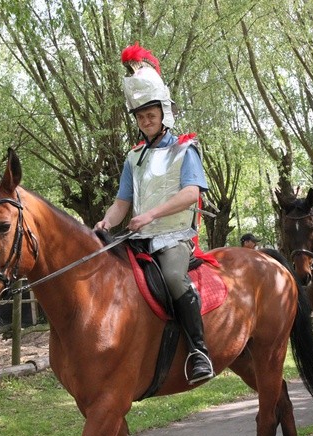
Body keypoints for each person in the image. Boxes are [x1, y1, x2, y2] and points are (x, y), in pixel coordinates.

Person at [94, 43, 214, 384]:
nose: (146, 121)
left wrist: (150, 215)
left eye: (151, 115)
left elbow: (192, 193)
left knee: (175, 278)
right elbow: (121, 203)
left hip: (174, 237)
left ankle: (199, 351)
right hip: (139, 239)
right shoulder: (133, 158)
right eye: (141, 117)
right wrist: (106, 222)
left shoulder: (185, 149)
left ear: (163, 114)